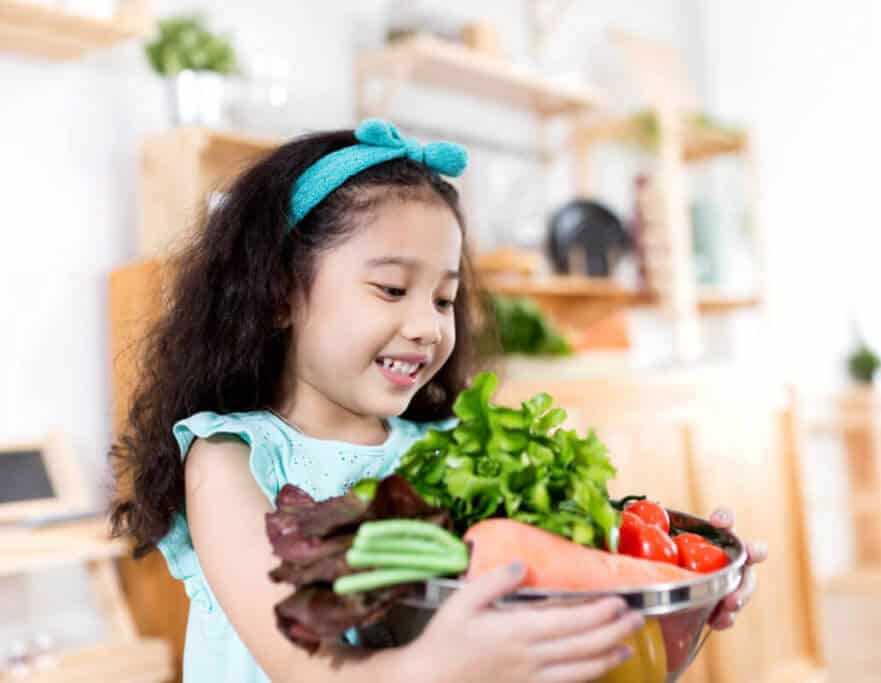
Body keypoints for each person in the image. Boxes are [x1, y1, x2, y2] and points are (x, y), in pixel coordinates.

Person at [109, 119, 766, 683]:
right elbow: (304, 667)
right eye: (392, 289)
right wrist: (437, 664)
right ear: (279, 292)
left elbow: (550, 599)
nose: (428, 325)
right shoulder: (230, 459)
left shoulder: (443, 448)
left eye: (445, 298)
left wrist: (678, 586)